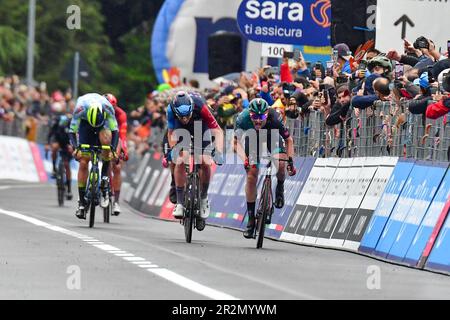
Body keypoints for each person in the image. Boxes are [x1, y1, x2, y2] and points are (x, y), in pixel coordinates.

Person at [233, 98, 297, 239]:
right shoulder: (242, 119)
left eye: (261, 117)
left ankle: (280, 186)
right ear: (249, 114)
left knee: (280, 164)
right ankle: (250, 219)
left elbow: (289, 140)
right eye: (254, 117)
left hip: (272, 136)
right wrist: (245, 159)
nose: (257, 121)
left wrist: (290, 161)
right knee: (252, 174)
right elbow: (236, 144)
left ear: (267, 114)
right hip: (252, 138)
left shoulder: (275, 118)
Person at [166, 91, 224, 231]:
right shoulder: (170, 110)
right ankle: (180, 202)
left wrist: (218, 150)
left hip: (200, 126)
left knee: (204, 160)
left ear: (192, 108)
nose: (185, 118)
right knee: (181, 158)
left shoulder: (201, 106)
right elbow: (170, 133)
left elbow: (217, 131)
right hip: (180, 130)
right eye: (182, 116)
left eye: (187, 116)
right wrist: (173, 148)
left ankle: (203, 198)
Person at [69, 93, 119, 220]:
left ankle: (104, 180)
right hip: (85, 124)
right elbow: (72, 131)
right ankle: (81, 202)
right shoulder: (80, 109)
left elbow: (115, 131)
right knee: (84, 161)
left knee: (106, 143)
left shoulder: (107, 108)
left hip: (103, 125)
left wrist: (112, 149)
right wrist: (76, 148)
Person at [104, 93, 129, 216]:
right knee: (105, 161)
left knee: (117, 166)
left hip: (116, 136)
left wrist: (124, 149)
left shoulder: (121, 114)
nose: (110, 110)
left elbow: (122, 136)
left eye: (113, 108)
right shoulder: (99, 111)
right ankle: (103, 186)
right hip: (103, 134)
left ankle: (116, 201)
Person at [46, 112, 74, 200]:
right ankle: (54, 168)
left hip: (68, 144)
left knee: (67, 165)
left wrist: (73, 146)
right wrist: (47, 144)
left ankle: (69, 188)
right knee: (54, 148)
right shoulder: (56, 124)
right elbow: (50, 134)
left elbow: (75, 137)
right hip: (59, 141)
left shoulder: (72, 125)